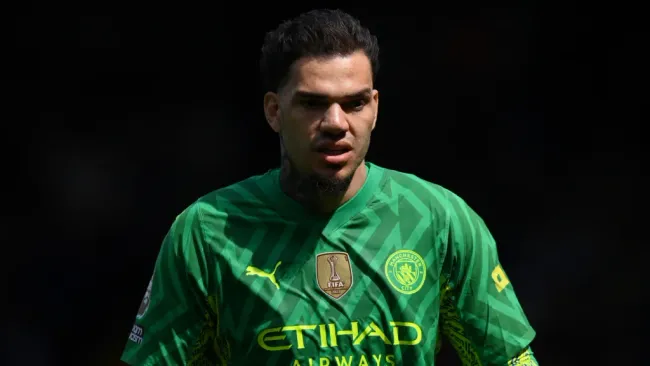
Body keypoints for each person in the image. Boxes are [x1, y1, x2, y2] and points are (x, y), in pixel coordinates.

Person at [121, 9, 539, 366]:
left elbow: (510, 359)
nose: (337, 123)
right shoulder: (206, 233)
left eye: (355, 103)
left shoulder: (440, 220)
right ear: (274, 111)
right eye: (313, 103)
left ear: (374, 108)